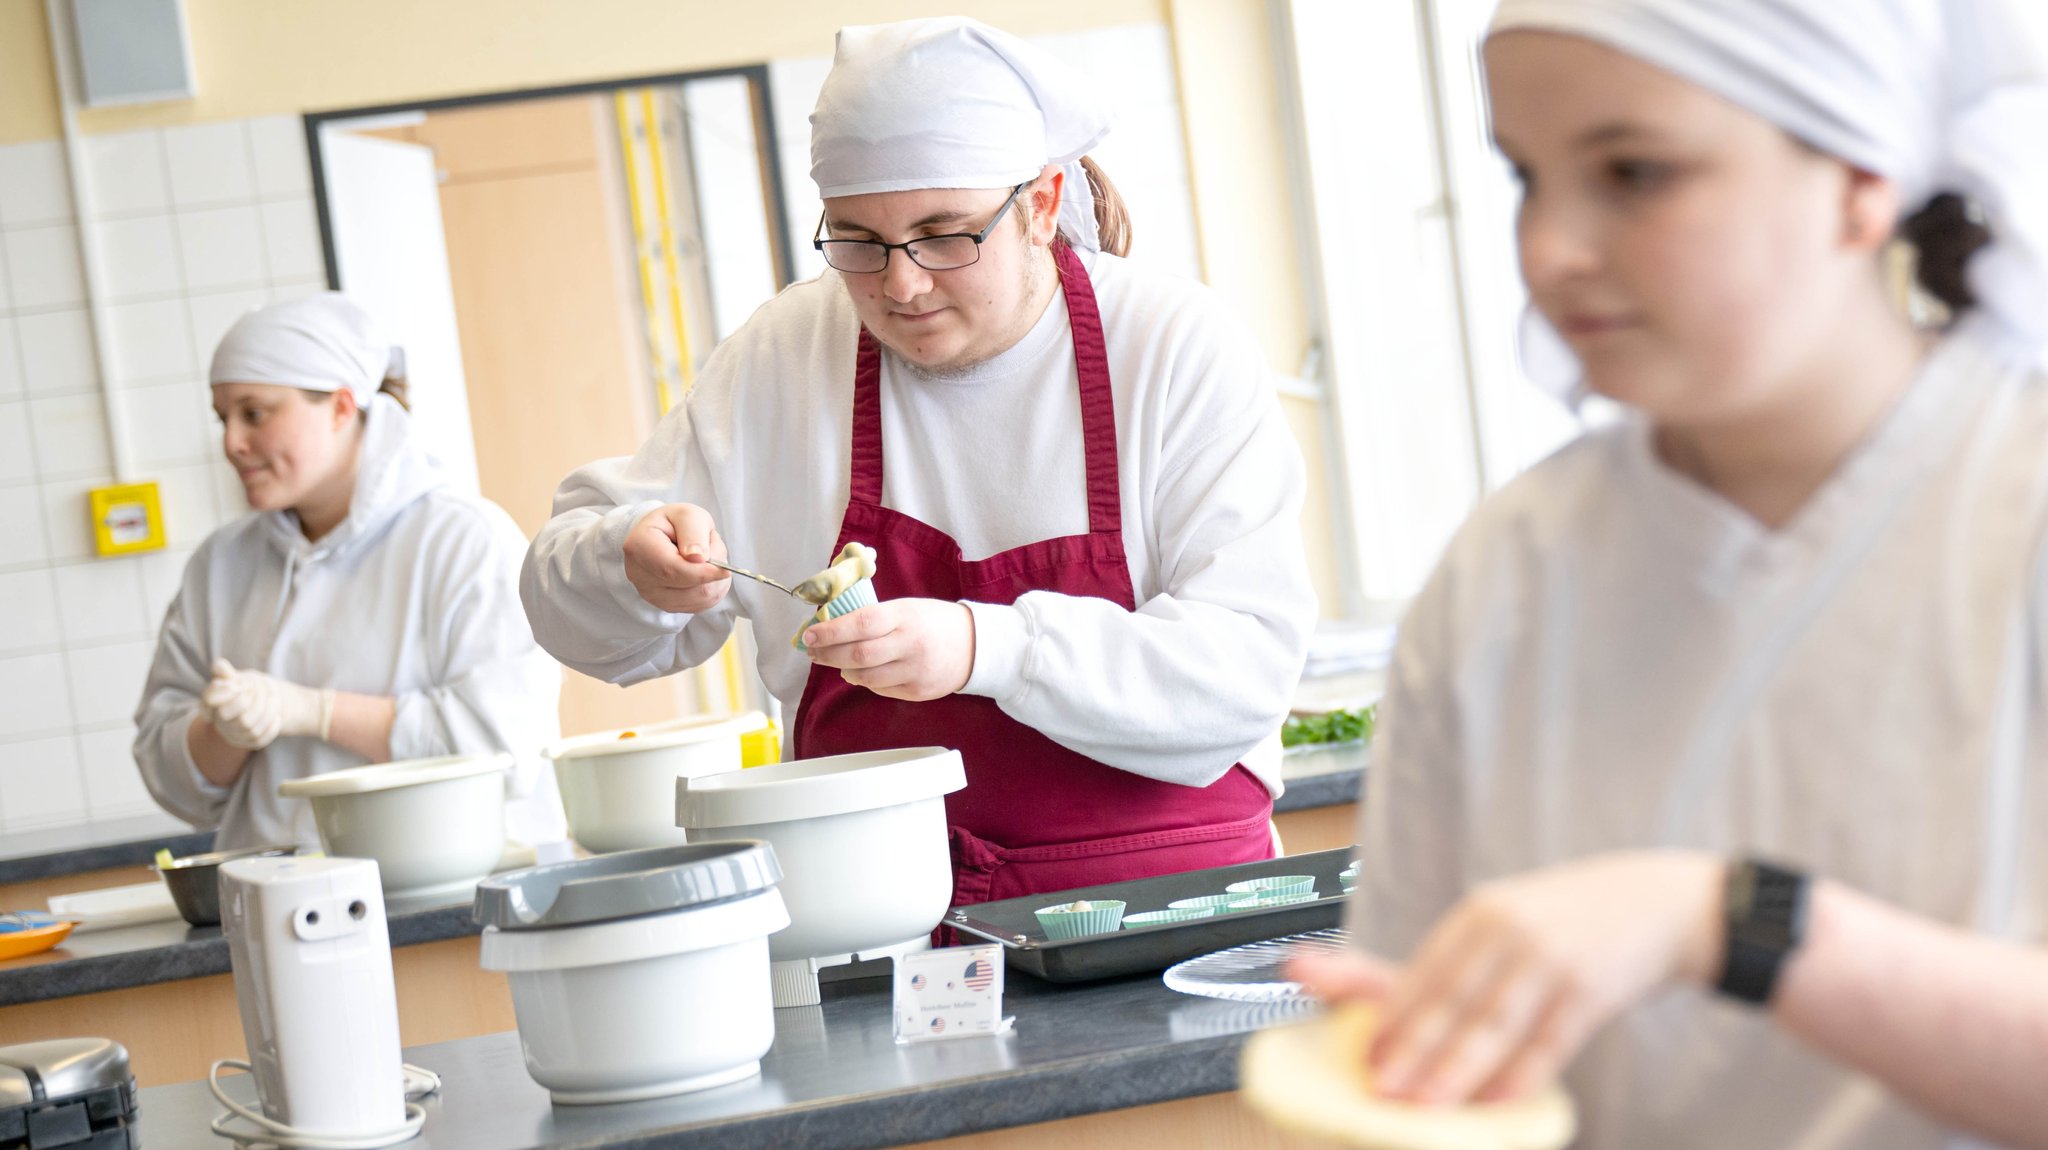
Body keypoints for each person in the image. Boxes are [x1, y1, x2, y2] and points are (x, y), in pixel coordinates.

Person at [1291, 1, 2048, 1146]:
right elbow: (1423, 1030)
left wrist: (1728, 921)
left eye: (1633, 171)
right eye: (1523, 176)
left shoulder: (2011, 505)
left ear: (1857, 177)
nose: (1546, 247)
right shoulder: (1506, 570)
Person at [523, 17, 1315, 909]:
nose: (901, 285)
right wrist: (626, 561)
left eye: (946, 235)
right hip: (879, 927)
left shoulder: (1171, 347)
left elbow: (1241, 669)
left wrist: (991, 647)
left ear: (1043, 203)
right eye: (859, 241)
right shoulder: (788, 354)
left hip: (1171, 916)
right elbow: (573, 616)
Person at [135, 293, 566, 851]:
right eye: (223, 419)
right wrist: (225, 732)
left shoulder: (462, 539)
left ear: (341, 407)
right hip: (276, 901)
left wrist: (313, 711)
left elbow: (501, 747)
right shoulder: (220, 565)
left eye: (254, 413)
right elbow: (170, 778)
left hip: (448, 894)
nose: (231, 443)